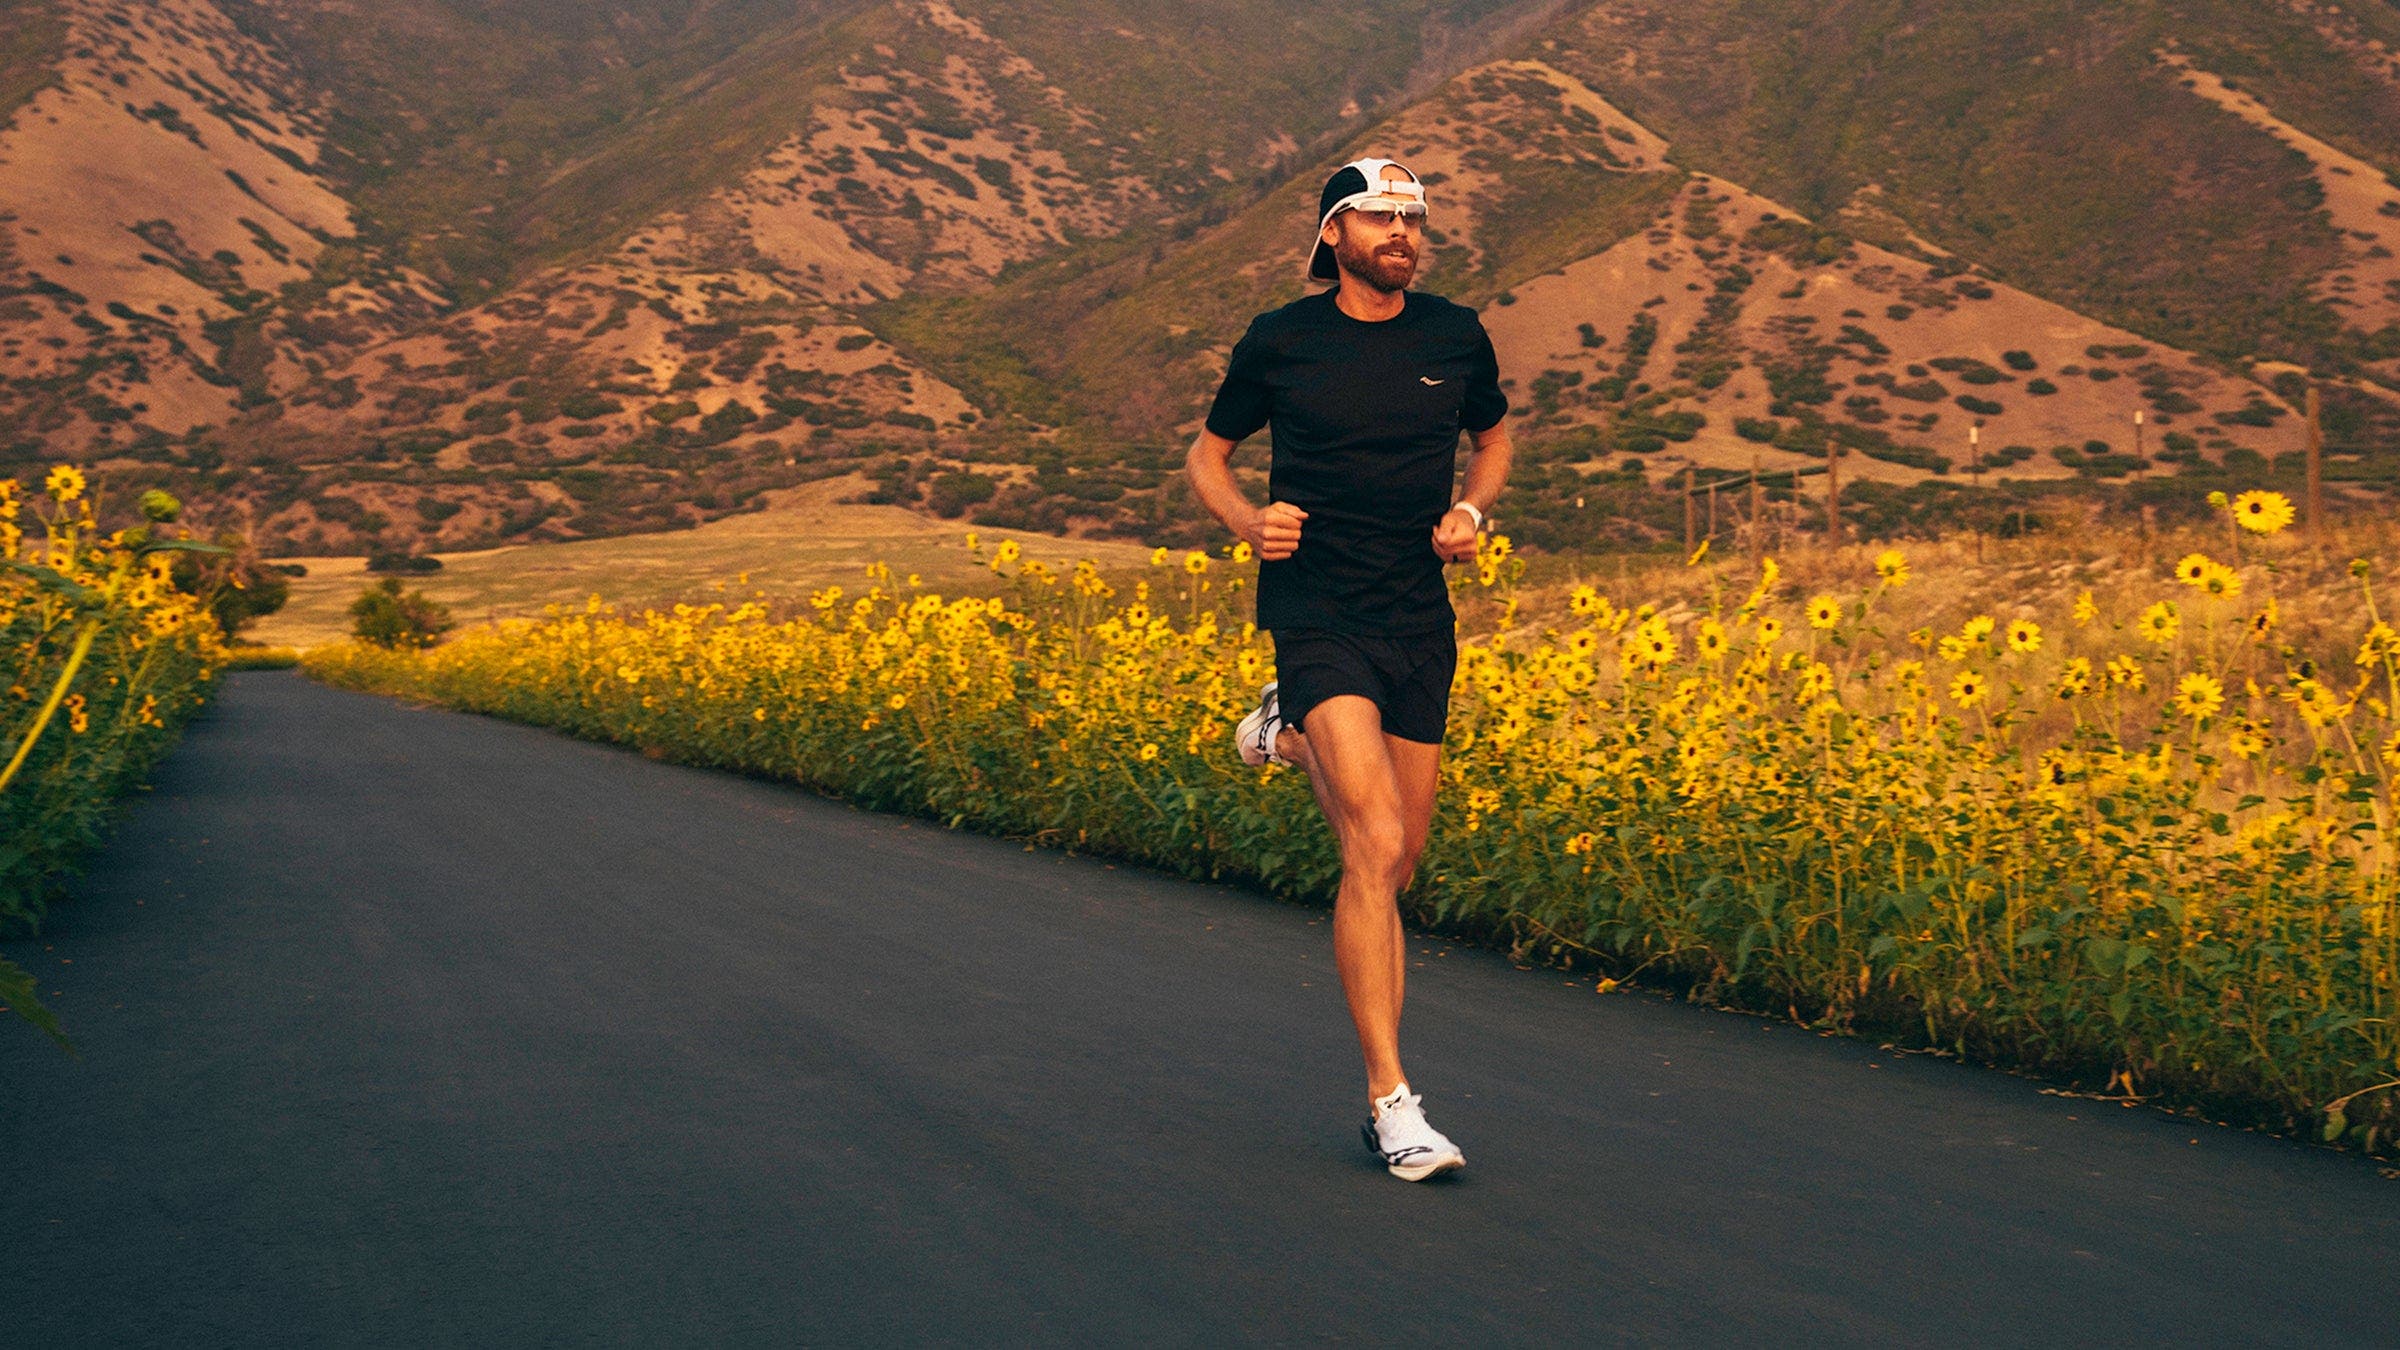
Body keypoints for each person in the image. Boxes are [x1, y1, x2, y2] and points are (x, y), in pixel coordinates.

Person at [1184, 157, 1512, 1182]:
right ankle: (1392, 1102)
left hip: (1418, 614)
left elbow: (1494, 436)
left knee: (1401, 859)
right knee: (1370, 841)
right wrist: (1250, 522)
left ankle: (1284, 731)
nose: (1401, 232)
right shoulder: (1283, 339)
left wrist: (1469, 510)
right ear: (1334, 233)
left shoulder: (1455, 335)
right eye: (1379, 216)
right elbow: (1208, 453)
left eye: (1413, 218)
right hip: (1316, 607)